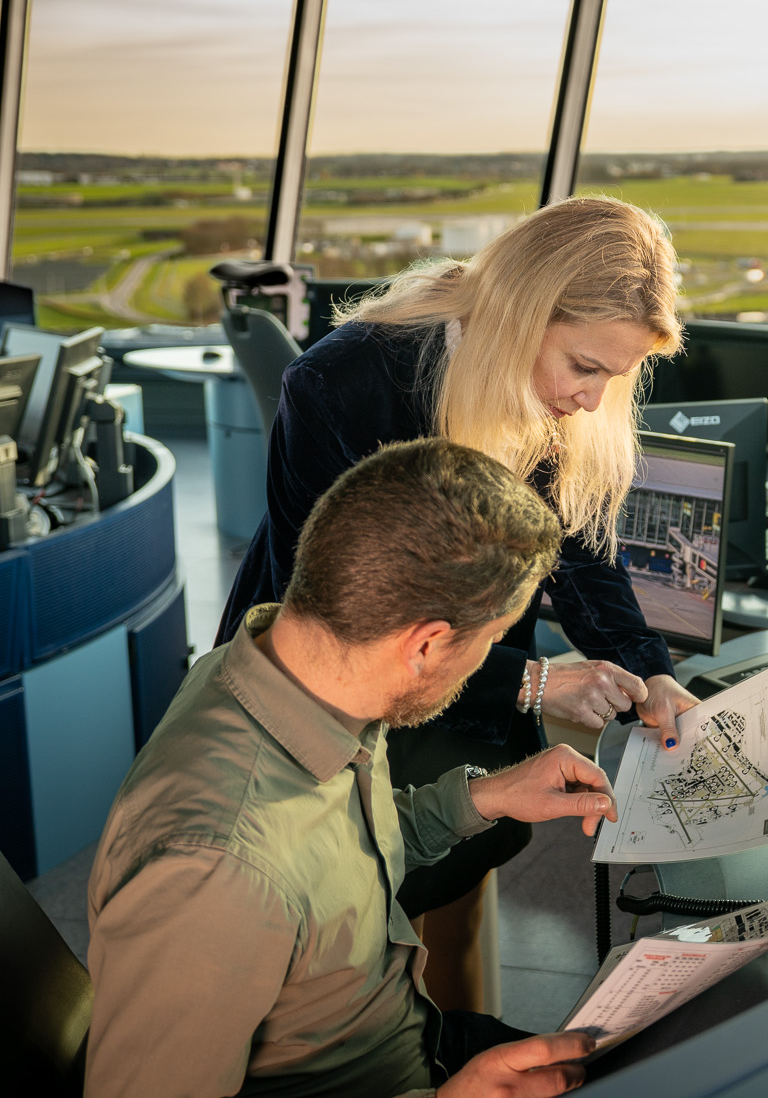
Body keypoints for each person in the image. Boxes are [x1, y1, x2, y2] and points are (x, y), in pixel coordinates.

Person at [215, 196, 703, 1007]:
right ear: (521, 316)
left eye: (612, 379)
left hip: (458, 679)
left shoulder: (541, 391)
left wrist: (649, 672)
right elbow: (342, 623)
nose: (590, 400)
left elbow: (574, 550)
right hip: (315, 704)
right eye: (585, 366)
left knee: (454, 890)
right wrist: (535, 682)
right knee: (348, 947)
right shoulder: (342, 385)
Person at [88, 437, 611, 1098]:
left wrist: (484, 798)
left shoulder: (294, 669)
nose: (484, 663)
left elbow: (339, 857)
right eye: (487, 643)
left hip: (403, 1037)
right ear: (425, 644)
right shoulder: (217, 873)